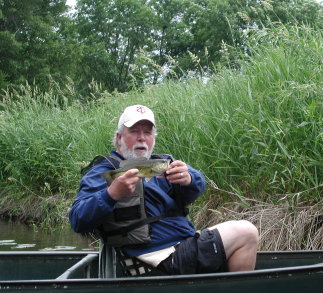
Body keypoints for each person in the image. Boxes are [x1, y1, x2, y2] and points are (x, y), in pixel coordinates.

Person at [69, 104, 259, 276]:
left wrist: (190, 179)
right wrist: (111, 195)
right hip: (156, 260)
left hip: (183, 247)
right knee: (246, 232)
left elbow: (198, 186)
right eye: (134, 131)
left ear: (153, 138)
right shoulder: (104, 172)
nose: (141, 137)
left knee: (237, 235)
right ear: (119, 138)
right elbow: (78, 220)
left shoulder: (163, 163)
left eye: (147, 132)